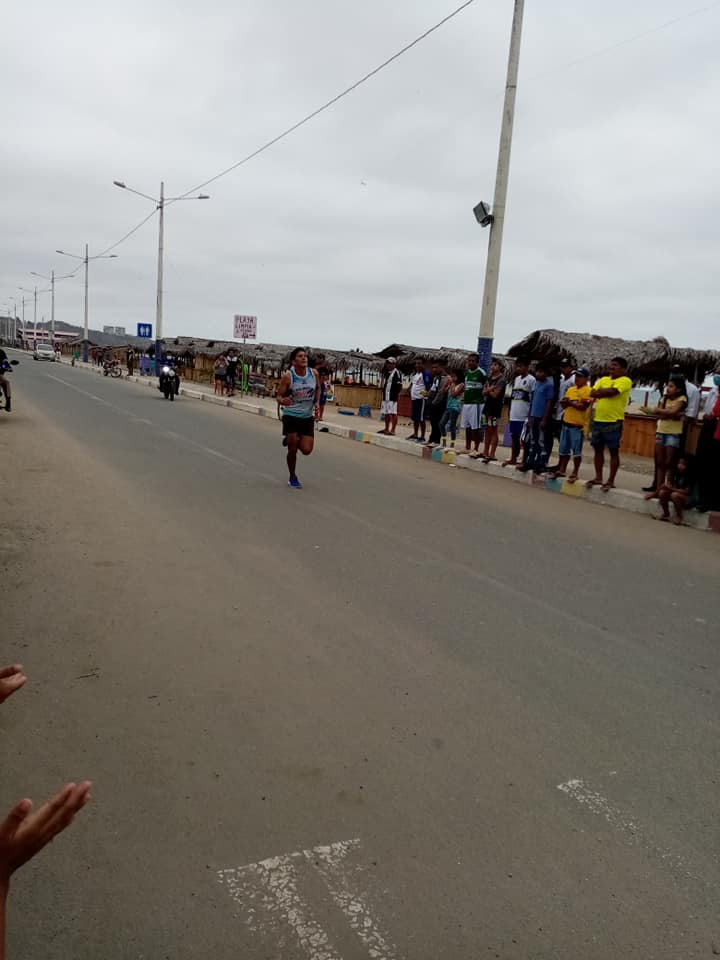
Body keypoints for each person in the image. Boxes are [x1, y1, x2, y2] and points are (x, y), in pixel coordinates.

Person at [586, 356, 633, 492]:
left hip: (613, 421)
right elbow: (592, 392)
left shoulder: (625, 380)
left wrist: (602, 392)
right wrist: (605, 392)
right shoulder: (603, 379)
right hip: (598, 419)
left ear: (623, 369)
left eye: (615, 365)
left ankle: (611, 480)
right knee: (597, 449)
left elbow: (613, 392)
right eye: (611, 364)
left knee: (613, 451)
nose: (612, 367)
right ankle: (598, 477)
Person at [277, 347, 320, 489]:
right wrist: (283, 401)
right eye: (300, 356)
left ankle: (291, 438)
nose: (304, 358)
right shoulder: (288, 376)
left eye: (305, 356)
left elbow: (318, 388)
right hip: (291, 415)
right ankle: (292, 476)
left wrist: (317, 402)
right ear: (293, 361)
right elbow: (279, 396)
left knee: (307, 450)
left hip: (306, 417)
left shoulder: (314, 374)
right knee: (293, 449)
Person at [640, 379, 687, 498]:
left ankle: (667, 489)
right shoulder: (663, 398)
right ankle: (658, 490)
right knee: (660, 462)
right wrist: (674, 414)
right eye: (667, 386)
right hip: (661, 431)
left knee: (670, 463)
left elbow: (671, 412)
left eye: (671, 386)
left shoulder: (682, 399)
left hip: (673, 433)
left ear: (679, 389)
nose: (668, 388)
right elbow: (667, 414)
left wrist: (657, 410)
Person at [551, 367, 592, 482]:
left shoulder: (588, 391)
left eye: (580, 376)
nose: (577, 378)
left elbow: (583, 406)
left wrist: (569, 402)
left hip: (578, 425)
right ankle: (562, 469)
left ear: (586, 378)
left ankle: (575, 472)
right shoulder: (571, 389)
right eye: (576, 376)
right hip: (566, 422)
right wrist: (567, 402)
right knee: (563, 449)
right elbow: (565, 405)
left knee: (576, 451)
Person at [520, 362, 555, 474]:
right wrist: (529, 416)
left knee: (541, 441)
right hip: (533, 416)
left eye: (541, 372)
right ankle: (530, 461)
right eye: (537, 371)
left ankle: (541, 462)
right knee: (533, 440)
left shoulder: (549, 385)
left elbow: (549, 402)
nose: (538, 374)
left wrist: (545, 419)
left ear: (546, 373)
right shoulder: (536, 384)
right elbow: (532, 401)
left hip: (541, 417)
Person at [502, 357, 535, 467]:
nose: (518, 368)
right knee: (514, 437)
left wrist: (530, 415)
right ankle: (513, 457)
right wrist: (510, 410)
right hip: (514, 414)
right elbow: (512, 397)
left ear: (527, 367)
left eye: (521, 366)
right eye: (517, 366)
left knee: (524, 439)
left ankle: (524, 460)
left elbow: (533, 398)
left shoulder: (531, 380)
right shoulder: (516, 379)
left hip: (524, 415)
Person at [696, 363, 720, 511]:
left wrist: (713, 417)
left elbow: (716, 413)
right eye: (716, 373)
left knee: (714, 467)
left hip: (716, 428)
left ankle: (712, 502)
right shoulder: (713, 391)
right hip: (710, 428)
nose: (717, 376)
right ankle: (703, 499)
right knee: (705, 463)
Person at [480, 359, 507, 462]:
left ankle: (492, 453)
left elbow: (495, 395)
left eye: (495, 365)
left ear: (500, 367)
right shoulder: (489, 378)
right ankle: (485, 451)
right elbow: (483, 392)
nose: (493, 366)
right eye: (492, 364)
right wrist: (490, 389)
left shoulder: (501, 379)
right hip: (487, 407)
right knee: (486, 428)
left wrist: (488, 390)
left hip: (495, 408)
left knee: (493, 430)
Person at [656, 455, 696, 525]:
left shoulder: (690, 475)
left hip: (689, 499)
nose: (680, 465)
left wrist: (671, 488)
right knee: (662, 492)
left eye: (683, 464)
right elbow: (672, 486)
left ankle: (680, 517)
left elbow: (687, 492)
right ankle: (666, 514)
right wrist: (666, 486)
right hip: (678, 495)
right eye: (679, 463)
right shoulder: (677, 473)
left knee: (674, 495)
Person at [459, 354, 486, 454]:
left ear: (477, 362)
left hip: (476, 404)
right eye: (469, 361)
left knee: (476, 427)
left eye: (473, 361)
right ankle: (467, 447)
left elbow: (486, 386)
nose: (470, 363)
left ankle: (476, 449)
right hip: (467, 403)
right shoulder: (467, 373)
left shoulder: (481, 373)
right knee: (468, 426)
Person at [408, 359, 430, 442]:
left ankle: (422, 436)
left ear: (423, 364)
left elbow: (428, 386)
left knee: (421, 418)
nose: (417, 365)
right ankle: (415, 434)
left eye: (419, 363)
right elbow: (414, 384)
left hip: (421, 399)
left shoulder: (425, 373)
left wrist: (424, 396)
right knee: (415, 418)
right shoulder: (416, 374)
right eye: (416, 363)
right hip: (414, 399)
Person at [426, 362, 448, 446]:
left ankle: (437, 441)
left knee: (437, 422)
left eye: (436, 367)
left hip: (440, 403)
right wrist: (428, 397)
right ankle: (431, 439)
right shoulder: (436, 378)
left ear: (441, 367)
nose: (434, 369)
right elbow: (432, 390)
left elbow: (440, 393)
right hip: (433, 403)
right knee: (433, 422)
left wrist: (434, 402)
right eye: (433, 368)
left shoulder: (444, 378)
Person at [379, 358, 402, 435]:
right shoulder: (387, 372)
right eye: (388, 363)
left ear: (394, 364)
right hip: (386, 396)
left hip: (392, 397)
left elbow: (399, 385)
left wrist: (396, 395)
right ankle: (386, 428)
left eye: (390, 363)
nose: (389, 365)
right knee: (386, 413)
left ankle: (393, 430)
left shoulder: (396, 373)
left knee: (393, 413)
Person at [439, 372, 463, 448]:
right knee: (441, 424)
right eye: (451, 377)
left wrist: (452, 385)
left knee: (452, 426)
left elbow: (454, 394)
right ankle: (444, 441)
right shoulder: (451, 384)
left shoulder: (461, 385)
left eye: (454, 376)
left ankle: (452, 443)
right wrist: (446, 384)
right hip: (448, 406)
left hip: (455, 407)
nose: (452, 378)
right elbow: (442, 392)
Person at [0, 347, 11, 413]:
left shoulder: (1, 352)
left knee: (6, 382)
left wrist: (8, 367)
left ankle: (8, 402)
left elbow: (5, 362)